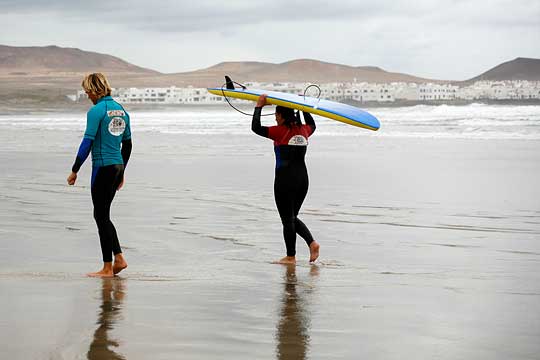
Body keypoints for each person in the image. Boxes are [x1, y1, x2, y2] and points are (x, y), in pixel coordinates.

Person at [67, 73, 132, 277]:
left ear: (95, 90)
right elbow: (128, 144)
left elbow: (87, 143)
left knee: (101, 215)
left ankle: (107, 267)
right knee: (103, 214)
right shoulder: (121, 111)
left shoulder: (96, 111)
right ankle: (118, 258)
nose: (88, 96)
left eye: (88, 92)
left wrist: (75, 169)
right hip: (117, 166)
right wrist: (122, 171)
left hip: (103, 168)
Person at [251, 94, 320, 264]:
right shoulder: (304, 130)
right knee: (291, 218)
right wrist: (303, 108)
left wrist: (258, 107)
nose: (275, 118)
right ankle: (312, 244)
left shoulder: (279, 131)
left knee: (287, 219)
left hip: (285, 180)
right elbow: (313, 125)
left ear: (282, 116)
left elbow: (256, 128)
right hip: (303, 180)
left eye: (276, 115)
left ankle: (291, 256)